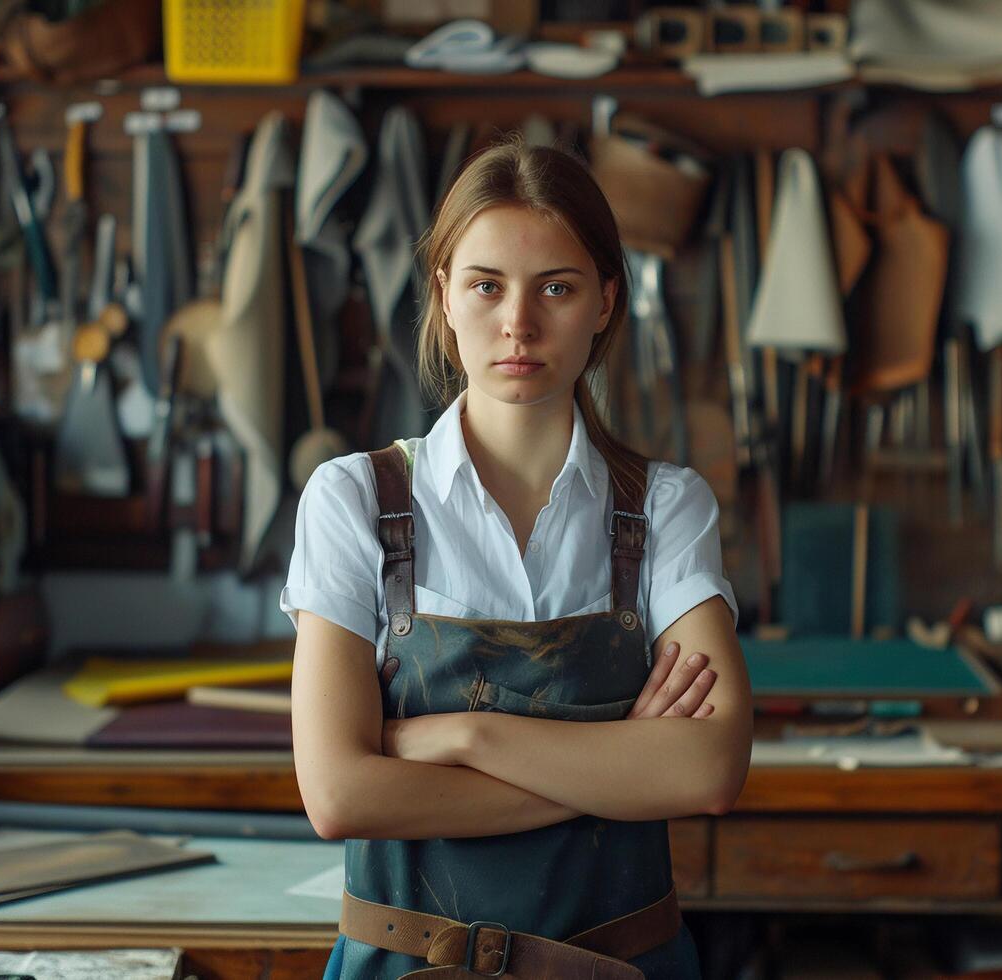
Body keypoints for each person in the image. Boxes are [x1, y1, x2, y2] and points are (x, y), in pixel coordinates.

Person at [282, 137, 752, 980]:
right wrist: (619, 763)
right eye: (487, 285)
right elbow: (341, 795)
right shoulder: (352, 499)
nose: (518, 325)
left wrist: (457, 735)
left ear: (608, 301)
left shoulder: (666, 508)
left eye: (558, 289)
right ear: (444, 295)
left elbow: (710, 768)